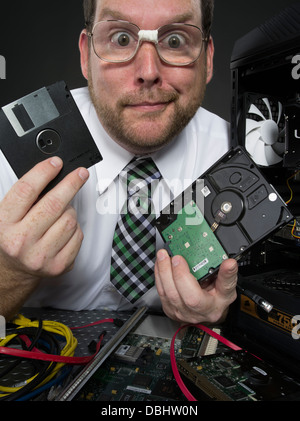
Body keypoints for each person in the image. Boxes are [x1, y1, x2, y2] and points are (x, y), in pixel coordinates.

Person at [0, 0, 238, 324]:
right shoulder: (11, 152)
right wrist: (11, 273)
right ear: (86, 55)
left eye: (175, 40)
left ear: (207, 59)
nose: (148, 72)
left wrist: (229, 320)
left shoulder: (239, 158)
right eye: (122, 39)